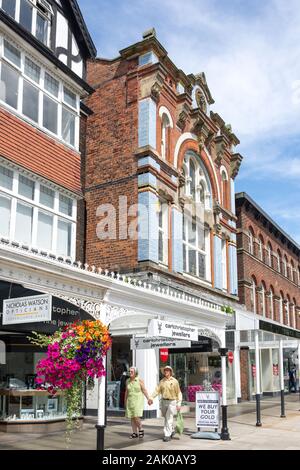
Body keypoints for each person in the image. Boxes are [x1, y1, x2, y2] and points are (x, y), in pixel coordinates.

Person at [148, 365, 182, 442]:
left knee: (169, 417)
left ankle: (167, 435)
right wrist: (151, 398)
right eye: (165, 370)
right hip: (163, 401)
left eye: (167, 370)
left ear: (170, 372)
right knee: (166, 418)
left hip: (172, 402)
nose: (166, 371)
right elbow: (157, 391)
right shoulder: (162, 381)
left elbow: (179, 393)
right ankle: (172, 430)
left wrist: (179, 403)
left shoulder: (175, 381)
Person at [124, 366, 150, 439]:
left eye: (132, 371)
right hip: (130, 401)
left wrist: (148, 398)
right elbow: (126, 391)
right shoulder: (127, 381)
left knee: (136, 416)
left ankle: (141, 429)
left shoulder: (139, 380)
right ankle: (134, 433)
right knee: (132, 417)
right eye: (129, 371)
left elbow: (144, 390)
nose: (130, 373)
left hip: (138, 401)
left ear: (135, 373)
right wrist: (125, 401)